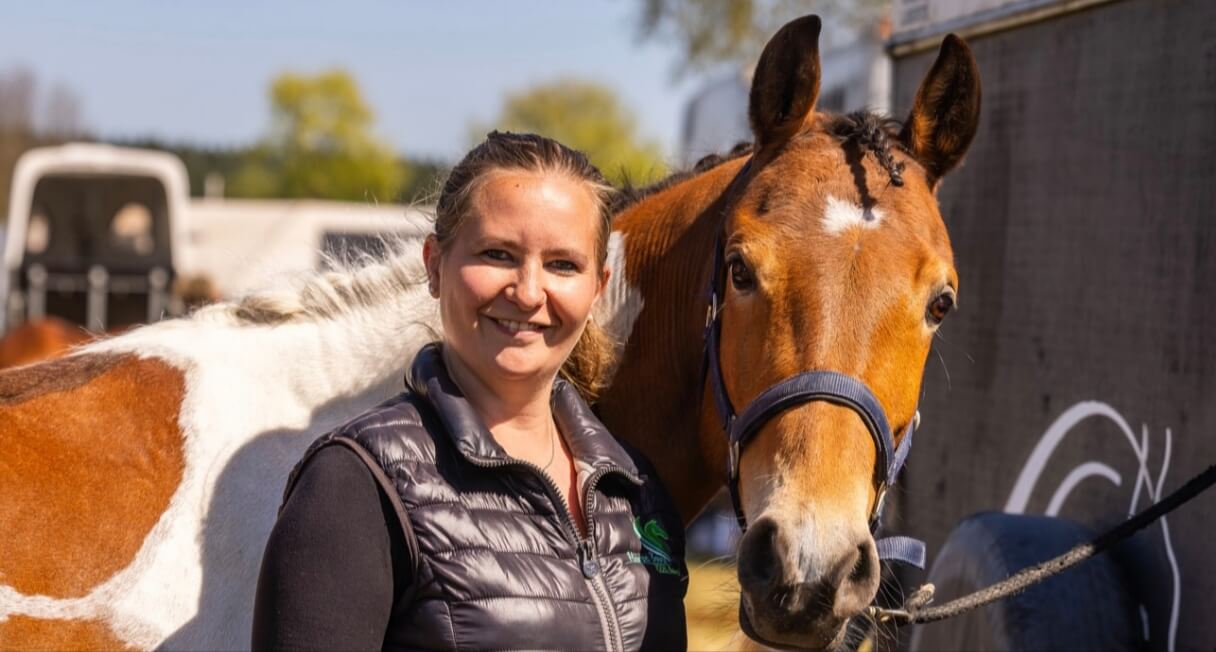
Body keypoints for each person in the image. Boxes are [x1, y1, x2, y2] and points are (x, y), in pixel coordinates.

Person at [252, 131, 688, 650]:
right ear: (435, 265)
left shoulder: (637, 495)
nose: (528, 292)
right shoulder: (356, 484)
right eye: (498, 254)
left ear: (598, 287)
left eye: (563, 265)